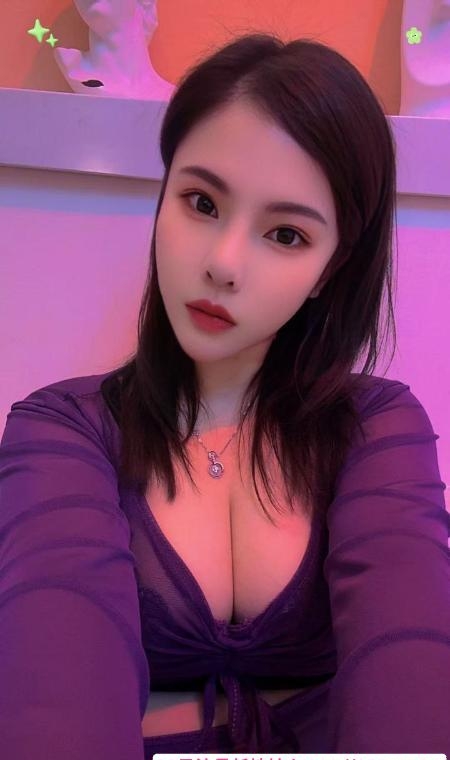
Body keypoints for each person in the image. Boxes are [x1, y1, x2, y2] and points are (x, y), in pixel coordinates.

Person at [1, 32, 449, 760]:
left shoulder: (376, 425)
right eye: (202, 201)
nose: (224, 263)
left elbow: (413, 658)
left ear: (332, 269)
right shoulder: (60, 429)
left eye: (286, 234)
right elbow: (53, 679)